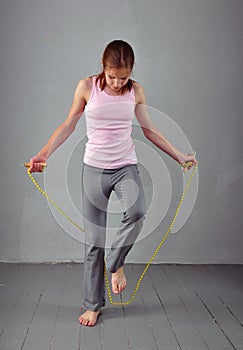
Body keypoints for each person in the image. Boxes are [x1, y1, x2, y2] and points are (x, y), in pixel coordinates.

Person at [29, 39, 197, 327]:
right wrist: (44, 153)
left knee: (137, 212)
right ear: (103, 68)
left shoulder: (136, 92)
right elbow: (70, 122)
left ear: (131, 71)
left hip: (125, 167)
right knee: (93, 242)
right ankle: (92, 305)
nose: (118, 83)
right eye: (112, 76)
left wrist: (178, 155)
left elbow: (149, 131)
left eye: (124, 77)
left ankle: (116, 263)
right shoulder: (86, 87)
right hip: (93, 170)